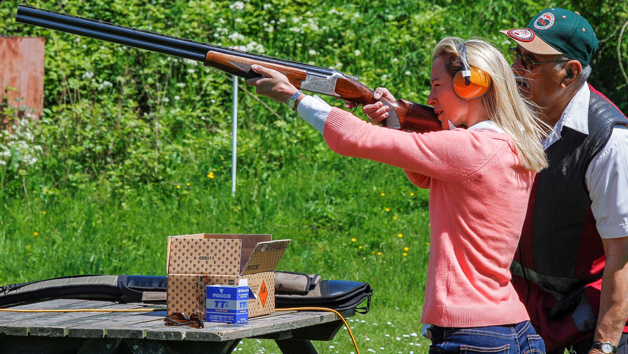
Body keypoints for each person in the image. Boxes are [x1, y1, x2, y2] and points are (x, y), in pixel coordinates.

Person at [247, 37, 548, 353]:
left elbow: (354, 137)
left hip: (474, 336)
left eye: (437, 85)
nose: (430, 97)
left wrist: (295, 98)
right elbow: (423, 175)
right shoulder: (507, 147)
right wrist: (394, 121)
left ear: (472, 85)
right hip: (512, 330)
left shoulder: (470, 148)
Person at [364, 8, 628, 354]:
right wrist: (400, 114)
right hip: (520, 307)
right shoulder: (512, 110)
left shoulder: (610, 141)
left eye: (530, 62)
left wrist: (604, 345)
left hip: (590, 312)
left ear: (570, 72)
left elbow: (622, 256)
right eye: (517, 56)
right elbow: (455, 129)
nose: (516, 68)